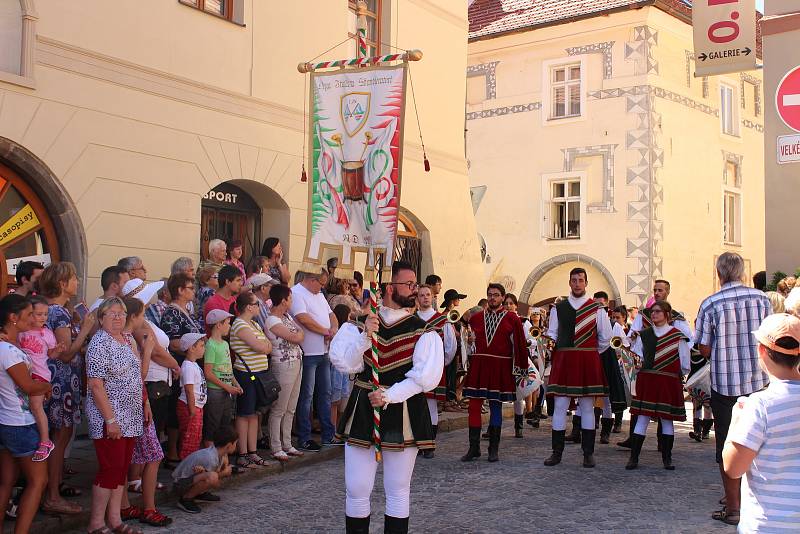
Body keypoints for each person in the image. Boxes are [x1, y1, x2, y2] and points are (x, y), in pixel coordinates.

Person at [329, 260, 444, 534]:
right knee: (356, 488)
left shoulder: (424, 330)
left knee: (398, 489)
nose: (415, 290)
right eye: (409, 284)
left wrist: (390, 395)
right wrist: (365, 337)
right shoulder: (358, 323)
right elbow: (344, 362)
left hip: (403, 408)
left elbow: (426, 376)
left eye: (415, 285)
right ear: (390, 288)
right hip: (363, 407)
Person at [694, 252, 772, 526]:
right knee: (759, 443)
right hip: (758, 382)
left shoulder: (710, 303)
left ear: (719, 273)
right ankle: (755, 498)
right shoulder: (762, 299)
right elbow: (770, 337)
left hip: (725, 383)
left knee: (727, 443)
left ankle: (734, 507)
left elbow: (703, 347)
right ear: (742, 273)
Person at [723, 313, 800, 532]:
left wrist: (736, 421)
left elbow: (733, 467)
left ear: (762, 351)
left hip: (769, 523)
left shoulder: (760, 405)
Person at [85, 297, 146, 534]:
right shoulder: (99, 343)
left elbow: (136, 375)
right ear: (101, 319)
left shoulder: (126, 339)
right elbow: (96, 385)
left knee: (121, 470)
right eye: (112, 314)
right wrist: (110, 420)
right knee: (109, 469)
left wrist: (144, 404)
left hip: (130, 417)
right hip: (110, 418)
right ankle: (96, 523)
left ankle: (115, 520)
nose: (118, 317)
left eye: (121, 313)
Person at [39, 262, 95, 515]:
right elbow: (66, 353)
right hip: (61, 381)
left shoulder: (53, 311)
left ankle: (51, 490)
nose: (76, 281)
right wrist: (85, 330)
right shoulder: (59, 313)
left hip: (57, 380)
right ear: (62, 283)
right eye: (72, 278)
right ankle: (52, 495)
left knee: (55, 437)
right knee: (59, 438)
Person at [543, 268, 612, 468]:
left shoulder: (598, 309)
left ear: (586, 283)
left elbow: (605, 339)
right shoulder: (558, 308)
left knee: (587, 407)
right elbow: (553, 334)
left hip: (587, 361)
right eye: (574, 280)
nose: (577, 283)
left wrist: (588, 352)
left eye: (581, 280)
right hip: (564, 360)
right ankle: (556, 453)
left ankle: (588, 453)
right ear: (569, 282)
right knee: (560, 406)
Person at [619, 279, 693, 449]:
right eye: (655, 290)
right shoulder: (644, 314)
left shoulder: (677, 318)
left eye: (661, 290)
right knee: (641, 410)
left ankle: (663, 445)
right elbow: (632, 335)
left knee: (665, 412)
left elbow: (688, 342)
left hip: (667, 369)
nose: (657, 293)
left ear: (667, 292)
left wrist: (672, 358)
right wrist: (636, 339)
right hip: (647, 368)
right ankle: (634, 442)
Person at [0, 294, 52, 534]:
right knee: (37, 481)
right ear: (13, 318)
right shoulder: (8, 351)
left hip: (6, 420)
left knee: (6, 482)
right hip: (19, 422)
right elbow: (29, 387)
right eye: (29, 314)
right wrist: (46, 386)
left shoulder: (7, 347)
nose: (33, 318)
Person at [122, 296, 174, 528]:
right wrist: (148, 350)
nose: (144, 320)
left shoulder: (122, 339)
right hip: (131, 404)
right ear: (133, 317)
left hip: (137, 401)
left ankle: (124, 506)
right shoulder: (127, 341)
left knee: (126, 458)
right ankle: (149, 508)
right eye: (142, 315)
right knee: (153, 455)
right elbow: (138, 376)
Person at [461, 283, 528, 464]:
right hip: (479, 366)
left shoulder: (512, 319)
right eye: (490, 294)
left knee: (496, 406)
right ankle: (474, 448)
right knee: (473, 406)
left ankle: (493, 449)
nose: (492, 298)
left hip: (500, 367)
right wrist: (468, 345)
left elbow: (520, 345)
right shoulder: (475, 318)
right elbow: (468, 344)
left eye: (496, 295)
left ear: (503, 297)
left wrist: (520, 369)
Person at [624, 300, 690, 470]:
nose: (654, 314)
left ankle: (667, 459)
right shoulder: (643, 335)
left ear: (667, 315)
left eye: (658, 311)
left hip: (668, 382)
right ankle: (634, 458)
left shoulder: (678, 336)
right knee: (642, 418)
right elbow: (637, 356)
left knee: (667, 420)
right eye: (652, 311)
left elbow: (684, 364)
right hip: (647, 381)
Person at [290, 270, 339, 451]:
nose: (322, 287)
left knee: (325, 394)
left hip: (323, 351)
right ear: (311, 280)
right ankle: (304, 437)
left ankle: (328, 435)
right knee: (307, 397)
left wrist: (333, 328)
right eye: (321, 283)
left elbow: (331, 314)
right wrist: (325, 332)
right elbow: (303, 319)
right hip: (308, 352)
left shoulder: (318, 294)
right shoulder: (296, 293)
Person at [160, 272, 202, 468]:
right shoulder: (172, 313)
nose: (193, 291)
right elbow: (174, 343)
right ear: (179, 290)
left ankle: (185, 448)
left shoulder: (186, 311)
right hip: (179, 365)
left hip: (190, 364)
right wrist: (192, 350)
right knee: (177, 408)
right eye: (190, 288)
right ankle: (173, 451)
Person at [230, 292, 272, 468]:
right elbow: (261, 346)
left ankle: (253, 452)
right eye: (257, 304)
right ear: (248, 306)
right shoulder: (240, 324)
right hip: (246, 374)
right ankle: (243, 453)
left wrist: (265, 346)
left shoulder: (253, 323)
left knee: (255, 414)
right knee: (244, 414)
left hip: (259, 373)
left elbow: (268, 346)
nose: (259, 307)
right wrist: (264, 346)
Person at [16, 296, 61, 462]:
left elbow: (51, 356)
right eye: (38, 314)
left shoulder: (47, 334)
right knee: (26, 407)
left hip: (40, 375)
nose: (43, 317)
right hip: (24, 374)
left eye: (45, 314)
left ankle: (45, 440)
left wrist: (58, 350)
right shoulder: (21, 332)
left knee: (36, 406)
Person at [263, 284, 305, 462]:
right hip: (283, 364)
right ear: (283, 300)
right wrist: (298, 334)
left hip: (296, 361)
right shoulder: (272, 320)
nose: (292, 301)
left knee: (291, 406)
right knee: (279, 407)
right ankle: (276, 446)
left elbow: (299, 333)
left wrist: (298, 333)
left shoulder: (286, 316)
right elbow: (295, 336)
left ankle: (287, 444)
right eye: (290, 298)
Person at [416, 284, 456, 458]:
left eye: (428, 295)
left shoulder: (442, 321)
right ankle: (417, 443)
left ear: (433, 297)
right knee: (416, 404)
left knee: (431, 405)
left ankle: (429, 444)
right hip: (414, 369)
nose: (425, 297)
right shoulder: (411, 319)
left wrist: (439, 364)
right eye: (421, 295)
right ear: (417, 298)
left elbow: (450, 346)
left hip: (433, 368)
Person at [589, 291, 627, 445]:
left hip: (607, 363)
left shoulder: (614, 325)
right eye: (595, 304)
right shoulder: (589, 322)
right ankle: (579, 429)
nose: (599, 308)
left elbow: (622, 346)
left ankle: (606, 432)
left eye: (601, 305)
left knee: (605, 398)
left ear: (606, 306)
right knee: (585, 396)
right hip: (591, 361)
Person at [172, 426, 237, 514]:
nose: (236, 446)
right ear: (229, 445)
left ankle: (199, 493)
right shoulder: (210, 457)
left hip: (190, 480)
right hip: (179, 484)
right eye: (235, 443)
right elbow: (216, 483)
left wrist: (224, 466)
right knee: (212, 477)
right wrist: (225, 473)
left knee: (210, 475)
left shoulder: (219, 453)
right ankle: (185, 499)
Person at [202, 309, 241, 448]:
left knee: (225, 425)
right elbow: (208, 373)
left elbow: (228, 369)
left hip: (226, 391)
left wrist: (235, 384)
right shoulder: (211, 345)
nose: (229, 326)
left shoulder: (224, 344)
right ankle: (210, 460)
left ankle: (222, 459)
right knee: (212, 426)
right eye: (227, 323)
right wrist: (227, 387)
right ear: (218, 325)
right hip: (216, 392)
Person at [178, 333, 208, 459]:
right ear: (191, 348)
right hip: (190, 406)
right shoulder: (188, 367)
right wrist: (192, 410)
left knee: (196, 437)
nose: (204, 349)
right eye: (201, 346)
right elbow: (189, 390)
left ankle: (192, 466)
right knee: (189, 438)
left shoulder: (194, 365)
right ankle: (187, 467)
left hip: (197, 406)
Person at [194, 267, 218, 331]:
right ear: (206, 281)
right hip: (204, 321)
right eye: (215, 277)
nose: (218, 279)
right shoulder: (210, 292)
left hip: (199, 319)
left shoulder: (201, 290)